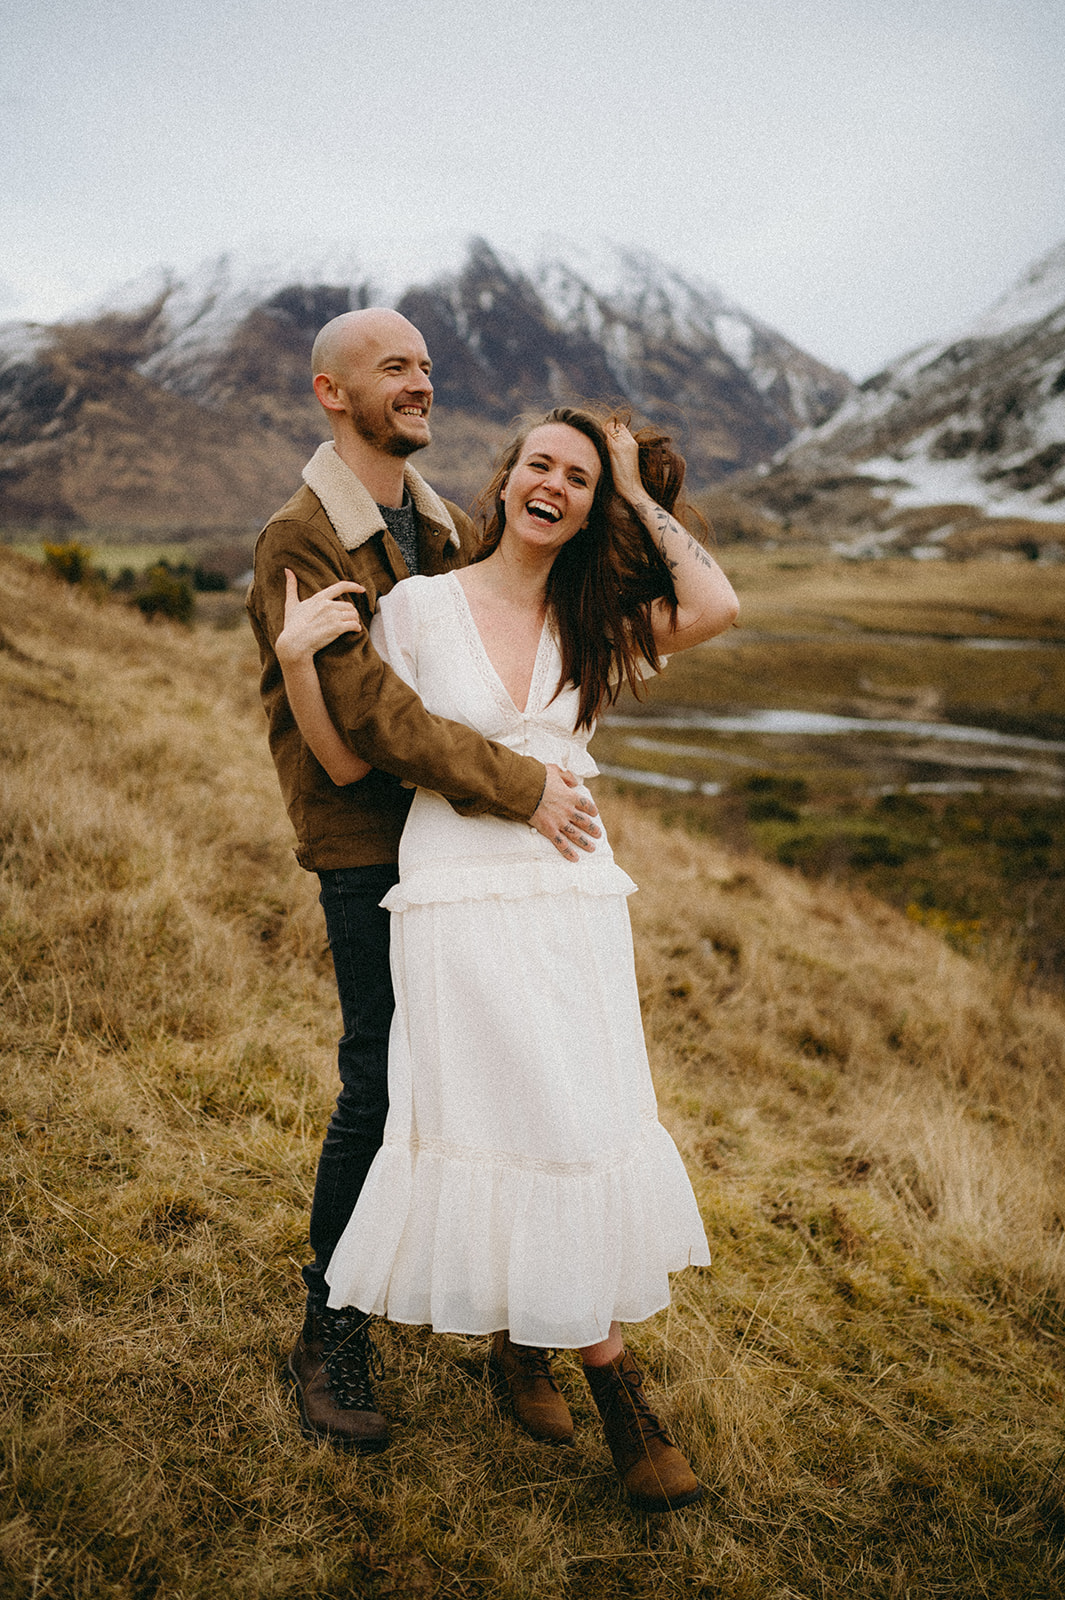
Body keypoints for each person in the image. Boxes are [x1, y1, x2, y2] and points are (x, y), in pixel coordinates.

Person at [276, 407, 739, 1511]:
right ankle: (618, 1387)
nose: (555, 483)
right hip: (456, 890)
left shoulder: (596, 617)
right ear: (506, 478)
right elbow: (345, 759)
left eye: (578, 477)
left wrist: (634, 486)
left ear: (590, 507)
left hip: (573, 897)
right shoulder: (423, 608)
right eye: (541, 462)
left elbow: (716, 605)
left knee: (573, 1117)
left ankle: (525, 1342)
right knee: (514, 1115)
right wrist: (299, 661)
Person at [246, 311, 602, 1454]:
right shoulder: (300, 539)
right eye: (394, 367)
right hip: (367, 846)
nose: (421, 383)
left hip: (457, 848)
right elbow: (374, 720)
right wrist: (527, 786)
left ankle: (519, 1322)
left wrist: (619, 476)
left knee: (499, 1074)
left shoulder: (441, 524)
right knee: (381, 1086)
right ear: (331, 392)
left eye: (427, 367)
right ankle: (329, 1329)